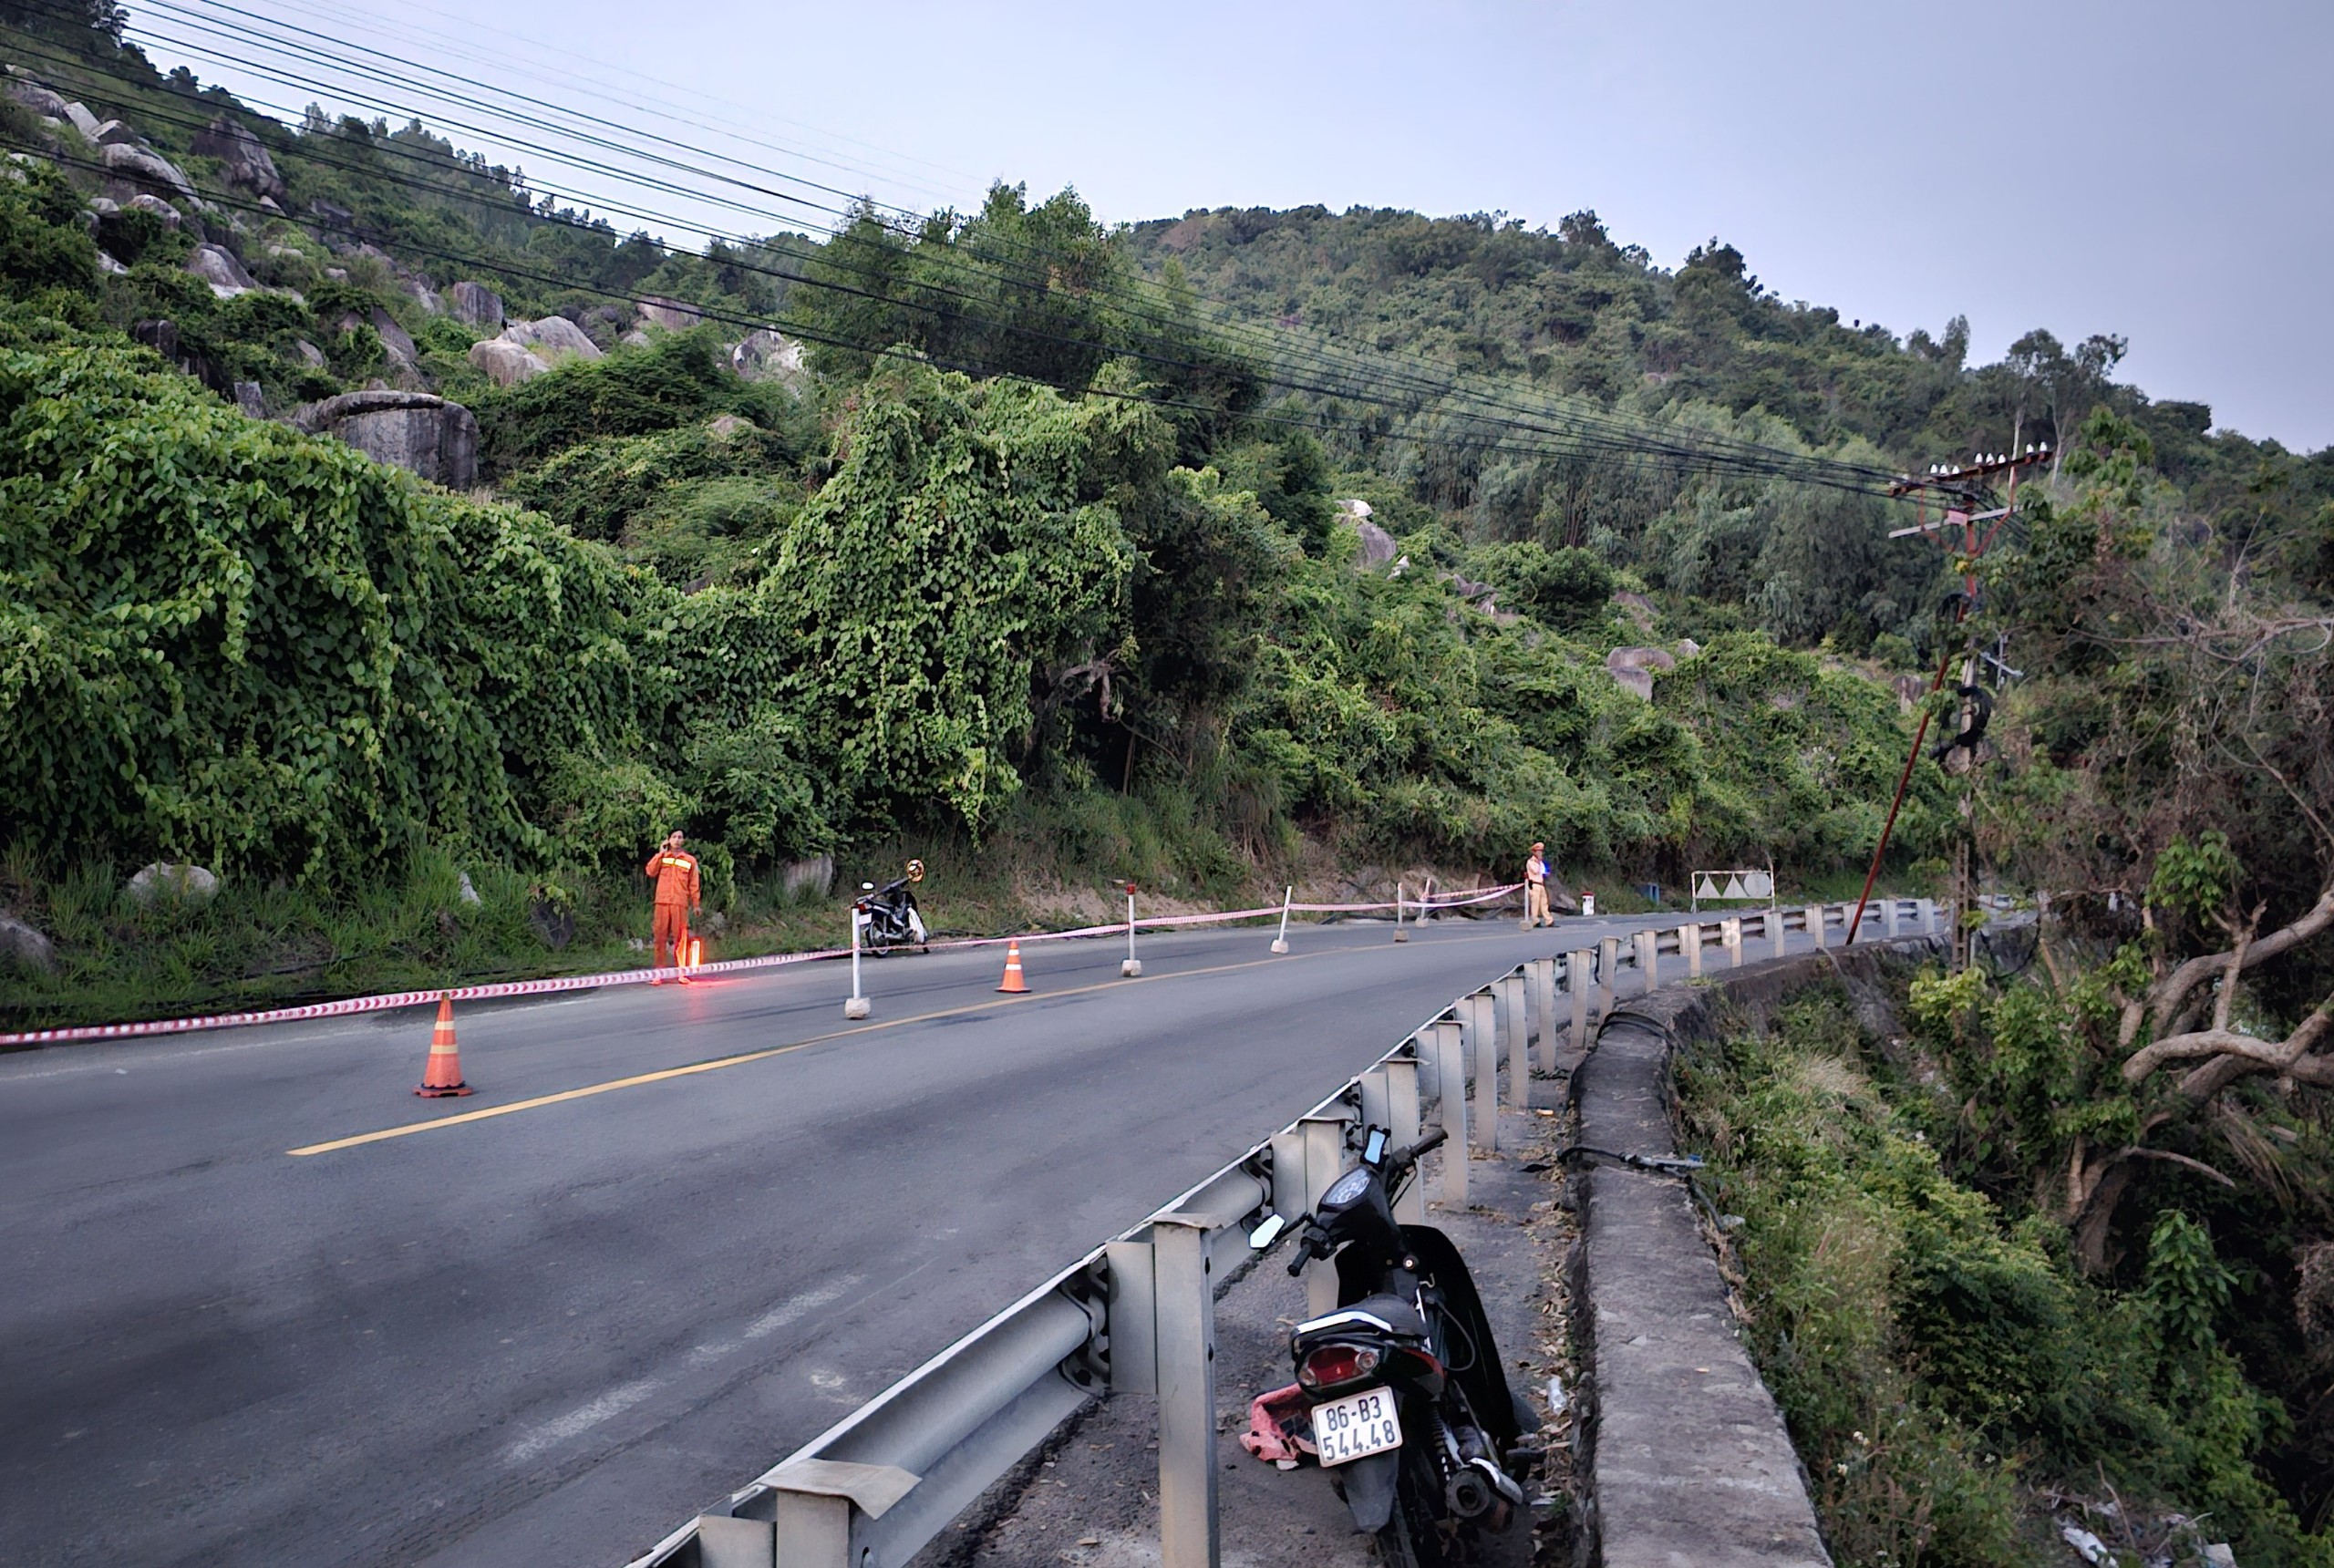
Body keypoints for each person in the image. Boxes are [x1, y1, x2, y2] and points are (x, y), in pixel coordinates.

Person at [644, 830, 702, 983]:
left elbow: (694, 883)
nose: (677, 840)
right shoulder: (663, 857)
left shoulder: (689, 860)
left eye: (680, 837)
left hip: (679, 902)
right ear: (668, 840)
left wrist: (696, 904)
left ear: (683, 841)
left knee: (681, 938)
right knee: (660, 938)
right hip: (662, 902)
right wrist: (660, 853)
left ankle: (681, 973)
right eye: (674, 837)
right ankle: (659, 973)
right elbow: (650, 871)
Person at [1523, 841, 1552, 929]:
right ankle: (1535, 921)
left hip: (1541, 884)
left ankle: (1549, 921)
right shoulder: (1531, 862)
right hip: (1534, 884)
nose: (1540, 853)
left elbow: (1543, 872)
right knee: (1535, 903)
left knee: (1544, 903)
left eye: (1541, 851)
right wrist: (1538, 862)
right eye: (1539, 851)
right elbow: (1535, 871)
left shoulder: (1540, 862)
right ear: (1534, 852)